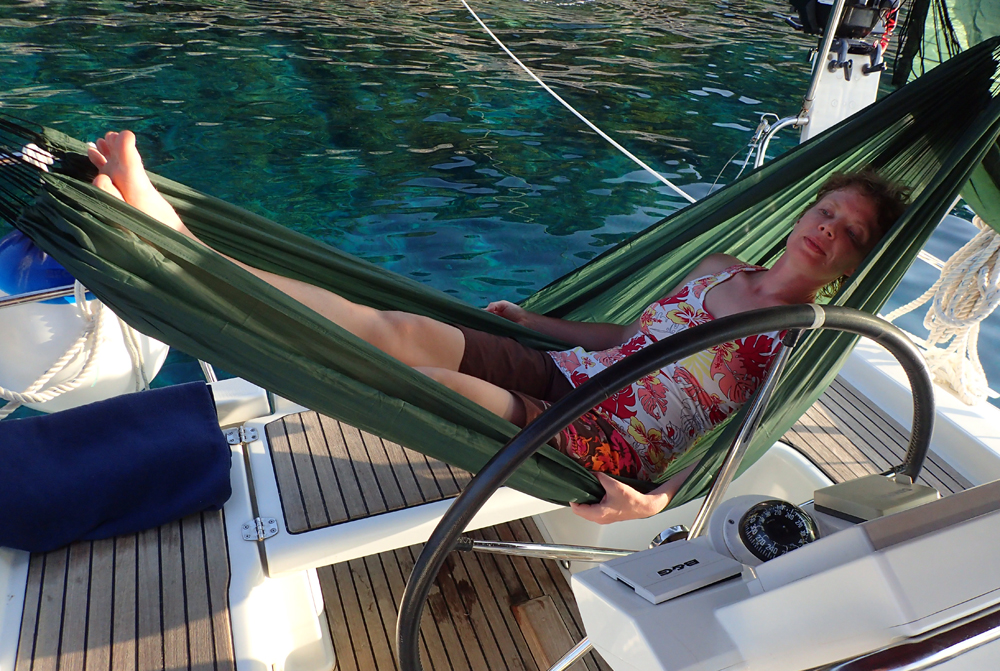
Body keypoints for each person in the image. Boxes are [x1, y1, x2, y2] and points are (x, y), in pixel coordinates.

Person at [86, 130, 909, 524]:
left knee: (425, 385)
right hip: (567, 376)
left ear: (853, 261)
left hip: (604, 445)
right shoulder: (719, 266)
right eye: (827, 210)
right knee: (398, 328)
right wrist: (535, 322)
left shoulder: (795, 336)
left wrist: (652, 502)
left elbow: (739, 442)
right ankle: (189, 245)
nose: (828, 229)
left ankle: (184, 255)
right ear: (806, 209)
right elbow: (628, 337)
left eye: (850, 232)